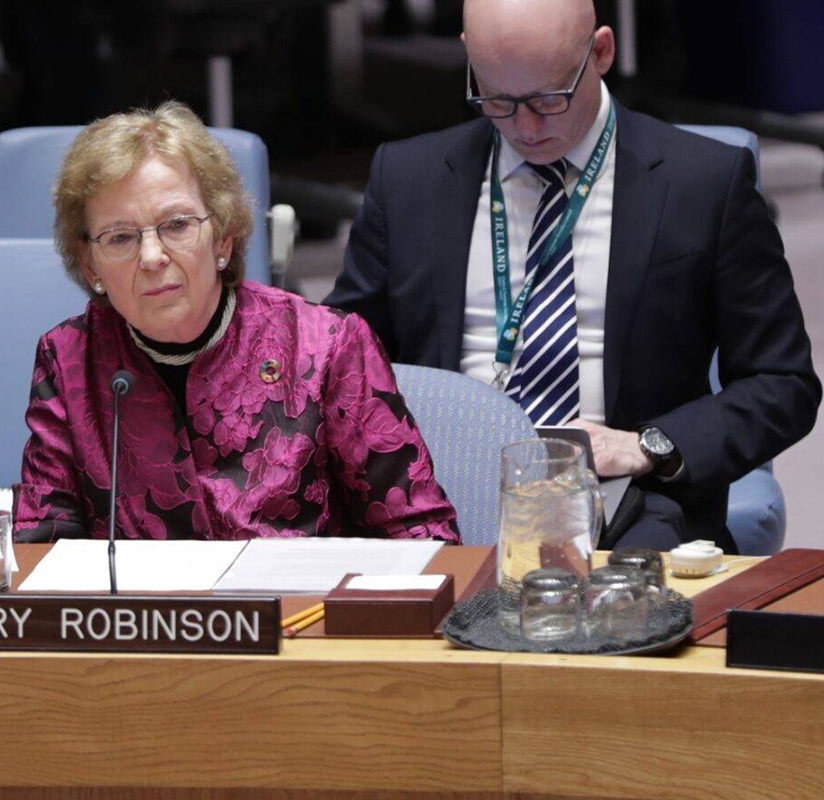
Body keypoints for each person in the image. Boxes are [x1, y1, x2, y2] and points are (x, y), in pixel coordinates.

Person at [325, 0, 820, 552]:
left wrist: (647, 446)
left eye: (548, 99)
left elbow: (783, 385)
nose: (526, 127)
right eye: (497, 99)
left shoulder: (703, 183)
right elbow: (341, 359)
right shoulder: (406, 179)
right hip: (438, 496)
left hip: (627, 501)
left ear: (601, 52)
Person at [12, 101, 458, 544]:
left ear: (223, 238)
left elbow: (421, 536)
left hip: (301, 612)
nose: (151, 257)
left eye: (177, 225)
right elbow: (42, 545)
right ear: (91, 266)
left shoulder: (326, 347)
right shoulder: (68, 359)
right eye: (121, 238)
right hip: (139, 616)